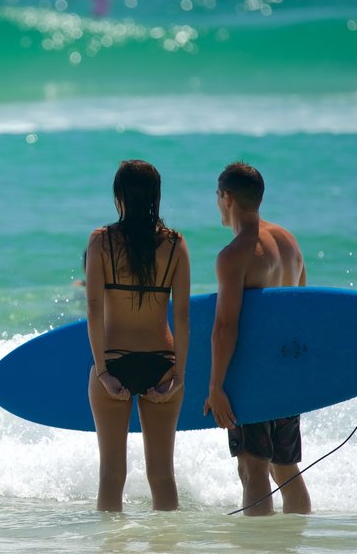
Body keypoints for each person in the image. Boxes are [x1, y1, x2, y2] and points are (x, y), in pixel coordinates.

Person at [203, 162, 312, 516]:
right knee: (285, 467)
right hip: (287, 375)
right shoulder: (289, 242)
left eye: (218, 197)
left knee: (252, 469)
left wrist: (216, 386)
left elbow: (225, 327)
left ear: (227, 197)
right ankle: (295, 539)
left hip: (253, 377)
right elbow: (301, 309)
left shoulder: (235, 254)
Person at [85, 159, 190, 512]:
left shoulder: (101, 242)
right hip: (162, 362)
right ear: (156, 196)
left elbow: (95, 311)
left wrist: (102, 372)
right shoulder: (175, 244)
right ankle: (167, 547)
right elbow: (183, 315)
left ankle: (112, 549)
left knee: (111, 476)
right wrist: (178, 377)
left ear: (119, 196)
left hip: (114, 362)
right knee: (162, 477)